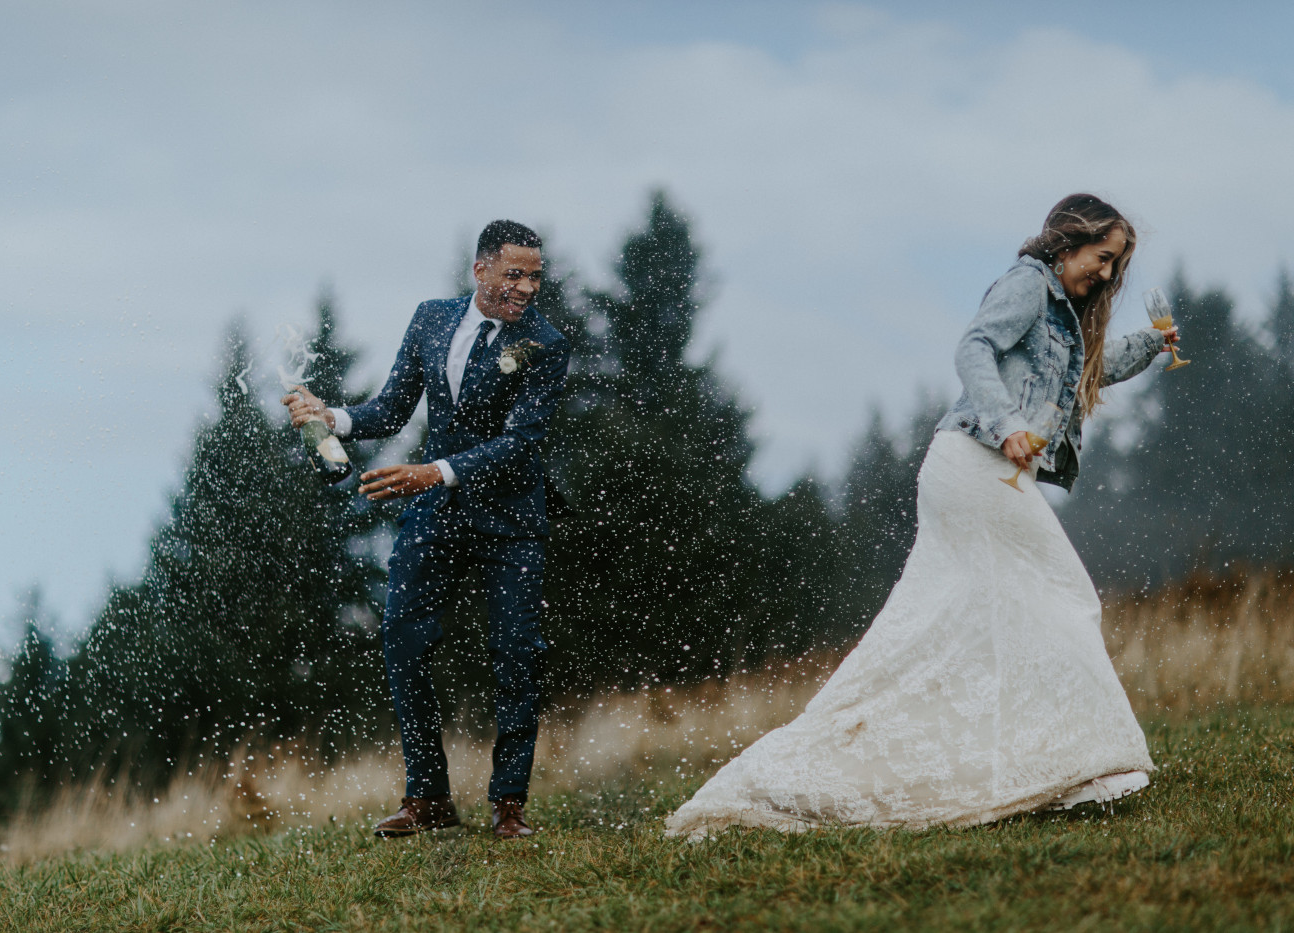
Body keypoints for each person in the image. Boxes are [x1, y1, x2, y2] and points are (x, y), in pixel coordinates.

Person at [666, 194, 1176, 837]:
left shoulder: (1064, 314)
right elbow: (975, 349)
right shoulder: (1027, 284)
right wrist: (1007, 420)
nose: (1105, 275)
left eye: (1115, 267)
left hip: (987, 472)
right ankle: (1084, 762)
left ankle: (1038, 763)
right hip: (975, 463)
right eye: (1102, 259)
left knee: (952, 623)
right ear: (1068, 242)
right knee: (1062, 596)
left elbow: (1081, 377)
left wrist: (1150, 346)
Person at [283, 220, 570, 840]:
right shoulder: (431, 318)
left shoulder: (546, 343)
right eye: (513, 274)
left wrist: (433, 473)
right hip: (434, 515)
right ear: (481, 270)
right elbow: (390, 407)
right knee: (403, 642)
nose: (525, 288)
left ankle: (509, 805)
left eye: (535, 276)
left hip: (510, 519)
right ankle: (427, 797)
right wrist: (327, 416)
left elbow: (520, 445)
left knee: (517, 655)